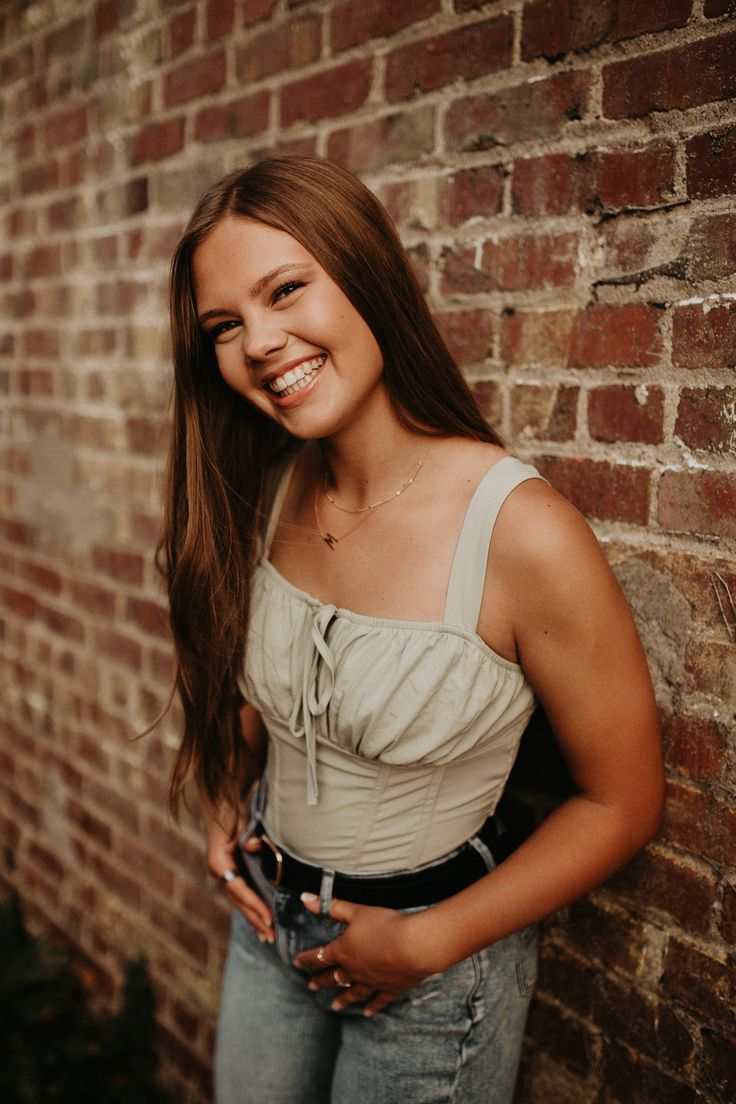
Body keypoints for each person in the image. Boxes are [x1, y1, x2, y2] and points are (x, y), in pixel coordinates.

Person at [161, 155, 664, 1104]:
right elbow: (261, 693)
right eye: (225, 327)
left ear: (368, 274)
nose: (259, 342)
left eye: (286, 290)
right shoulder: (267, 489)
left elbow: (624, 803)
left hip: (434, 969)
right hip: (267, 926)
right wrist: (227, 802)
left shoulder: (519, 530)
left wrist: (425, 942)